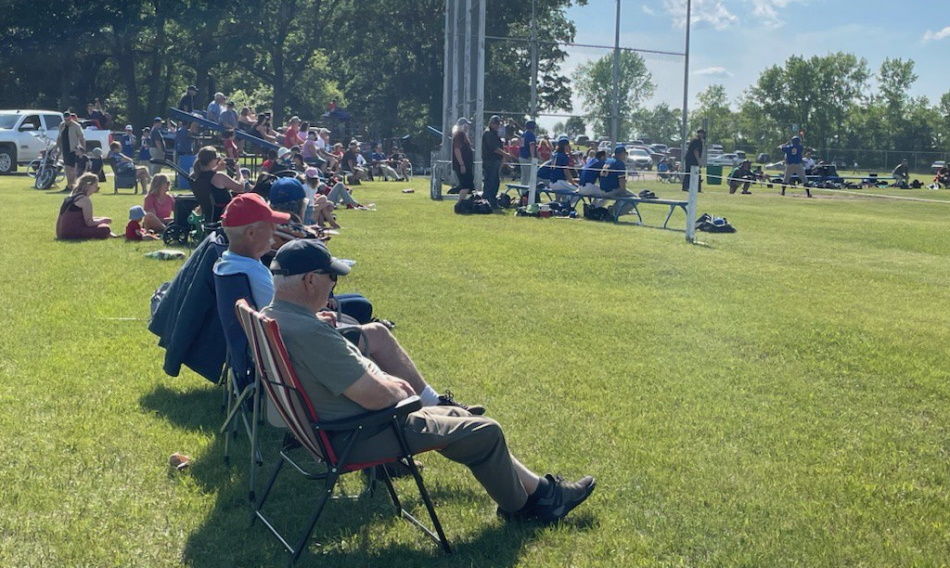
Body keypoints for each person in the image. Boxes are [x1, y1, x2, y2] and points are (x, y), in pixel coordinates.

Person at [262, 238, 596, 523]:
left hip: (327, 431)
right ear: (310, 281)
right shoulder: (310, 333)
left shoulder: (274, 317)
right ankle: (525, 508)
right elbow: (378, 397)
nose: (334, 284)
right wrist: (399, 387)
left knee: (458, 417)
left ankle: (542, 492)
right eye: (331, 276)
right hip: (356, 434)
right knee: (486, 431)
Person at [190, 146, 249, 223]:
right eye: (217, 158)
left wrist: (216, 169)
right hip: (224, 215)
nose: (219, 160)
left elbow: (207, 175)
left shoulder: (195, 176)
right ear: (212, 161)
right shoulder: (219, 176)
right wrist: (238, 171)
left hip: (210, 215)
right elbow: (241, 187)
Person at [56, 173, 114, 240]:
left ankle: (113, 236)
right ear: (88, 186)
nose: (96, 190)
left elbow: (83, 218)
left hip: (62, 233)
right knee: (105, 229)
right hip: (71, 233)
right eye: (95, 186)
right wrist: (102, 221)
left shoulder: (72, 196)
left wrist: (100, 219)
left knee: (102, 226)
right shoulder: (84, 200)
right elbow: (89, 223)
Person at [481, 115, 509, 208]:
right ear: (490, 123)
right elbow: (494, 148)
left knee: (495, 182)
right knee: (490, 182)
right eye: (495, 123)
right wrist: (505, 154)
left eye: (498, 123)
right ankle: (487, 202)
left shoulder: (495, 134)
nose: (497, 125)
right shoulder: (488, 133)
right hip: (490, 161)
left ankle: (492, 202)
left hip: (495, 161)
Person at [599, 145, 636, 216]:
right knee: (635, 199)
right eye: (624, 154)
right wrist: (623, 192)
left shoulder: (608, 161)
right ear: (621, 154)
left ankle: (614, 209)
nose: (625, 156)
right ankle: (613, 212)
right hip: (611, 190)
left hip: (602, 189)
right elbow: (621, 180)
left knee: (621, 196)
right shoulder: (619, 163)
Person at [58, 112, 86, 189]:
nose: (67, 122)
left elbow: (81, 138)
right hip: (65, 149)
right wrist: (58, 148)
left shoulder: (76, 126)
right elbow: (59, 137)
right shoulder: (62, 125)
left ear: (70, 118)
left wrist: (83, 149)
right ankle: (69, 185)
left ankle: (74, 185)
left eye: (68, 120)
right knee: (67, 168)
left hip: (73, 150)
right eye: (65, 120)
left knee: (73, 169)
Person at [451, 118, 475, 203]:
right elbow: (457, 150)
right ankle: (459, 204)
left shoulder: (463, 135)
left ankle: (463, 203)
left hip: (467, 164)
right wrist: (462, 165)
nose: (467, 127)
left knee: (469, 187)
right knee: (465, 186)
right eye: (466, 125)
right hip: (462, 165)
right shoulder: (458, 135)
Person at [682, 128, 704, 192]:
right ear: (699, 133)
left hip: (689, 158)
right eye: (702, 133)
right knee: (695, 172)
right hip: (692, 159)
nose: (703, 135)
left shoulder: (694, 139)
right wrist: (699, 162)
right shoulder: (697, 140)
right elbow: (696, 151)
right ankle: (697, 188)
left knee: (689, 173)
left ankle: (686, 187)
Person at [519, 120, 539, 186]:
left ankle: (523, 191)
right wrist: (533, 157)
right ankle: (528, 191)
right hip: (528, 158)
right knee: (530, 176)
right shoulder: (531, 134)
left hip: (522, 156)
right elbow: (531, 146)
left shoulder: (523, 134)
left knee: (524, 176)